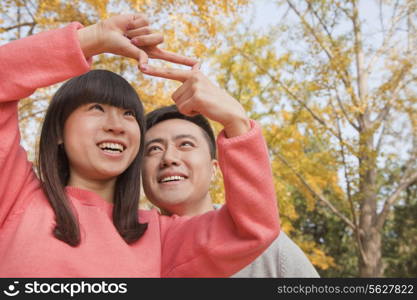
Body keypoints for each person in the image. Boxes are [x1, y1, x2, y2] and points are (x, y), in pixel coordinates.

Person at [0, 14, 279, 277]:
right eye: (97, 108)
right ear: (59, 130)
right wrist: (92, 38)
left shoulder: (159, 238)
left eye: (129, 114)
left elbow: (251, 230)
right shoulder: (14, 196)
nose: (117, 125)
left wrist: (236, 122)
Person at [141, 69, 319, 277]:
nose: (169, 158)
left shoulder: (266, 246)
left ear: (214, 169)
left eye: (186, 144)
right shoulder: (128, 248)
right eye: (154, 149)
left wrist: (236, 123)